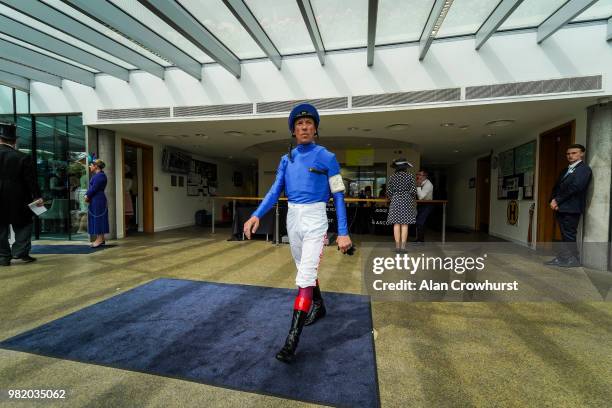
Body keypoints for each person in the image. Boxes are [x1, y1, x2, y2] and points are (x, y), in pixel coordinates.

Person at [243, 103, 352, 363]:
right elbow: (274, 191)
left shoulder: (327, 157)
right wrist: (257, 214)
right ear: (294, 130)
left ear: (315, 129)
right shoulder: (286, 159)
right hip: (292, 217)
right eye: (299, 124)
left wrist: (344, 233)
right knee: (306, 268)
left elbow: (338, 195)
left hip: (316, 219)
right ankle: (320, 305)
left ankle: (292, 340)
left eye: (309, 124)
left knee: (304, 277)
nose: (304, 127)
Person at [0, 122, 44, 266]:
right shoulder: (22, 157)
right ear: (14, 141)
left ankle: (3, 257)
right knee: (24, 225)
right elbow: (31, 181)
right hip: (19, 199)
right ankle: (20, 252)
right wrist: (37, 196)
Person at [545, 144, 592, 267]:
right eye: (568, 154)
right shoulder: (566, 170)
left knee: (569, 234)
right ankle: (563, 258)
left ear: (582, 154)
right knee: (564, 234)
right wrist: (552, 200)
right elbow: (557, 187)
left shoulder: (584, 169)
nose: (570, 156)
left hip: (572, 208)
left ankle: (573, 260)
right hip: (561, 207)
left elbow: (575, 187)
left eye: (574, 153)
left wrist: (557, 200)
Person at [386, 158, 416, 252]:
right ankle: (403, 248)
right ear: (405, 167)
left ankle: (397, 247)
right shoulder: (410, 176)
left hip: (395, 200)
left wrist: (395, 196)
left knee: (396, 224)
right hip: (406, 201)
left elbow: (389, 192)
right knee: (404, 224)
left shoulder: (392, 177)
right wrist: (407, 195)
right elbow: (413, 191)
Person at [85, 157, 109, 248]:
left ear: (96, 166)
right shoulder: (98, 175)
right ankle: (101, 239)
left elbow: (94, 188)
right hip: (96, 199)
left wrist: (87, 195)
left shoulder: (100, 176)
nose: (89, 167)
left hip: (98, 199)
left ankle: (99, 239)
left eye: (91, 165)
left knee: (98, 218)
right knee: (98, 217)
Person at [415, 169, 434, 243]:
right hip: (421, 205)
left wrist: (418, 186)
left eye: (419, 175)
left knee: (420, 221)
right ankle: (420, 239)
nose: (417, 176)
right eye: (417, 174)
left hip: (427, 205)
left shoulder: (428, 185)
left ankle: (420, 240)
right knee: (419, 221)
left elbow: (421, 197)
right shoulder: (420, 182)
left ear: (425, 176)